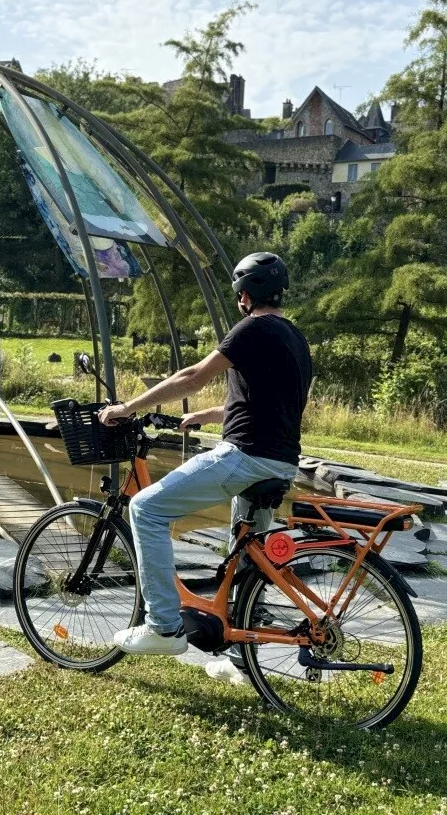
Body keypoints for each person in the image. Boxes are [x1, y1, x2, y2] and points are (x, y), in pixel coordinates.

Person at [97, 252, 312, 658]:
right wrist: (208, 414)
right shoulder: (293, 336)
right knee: (248, 552)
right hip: (280, 461)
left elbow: (192, 376)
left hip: (246, 456)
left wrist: (128, 408)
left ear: (245, 295)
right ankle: (240, 652)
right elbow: (272, 404)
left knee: (146, 509)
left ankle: (163, 626)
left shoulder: (253, 328)